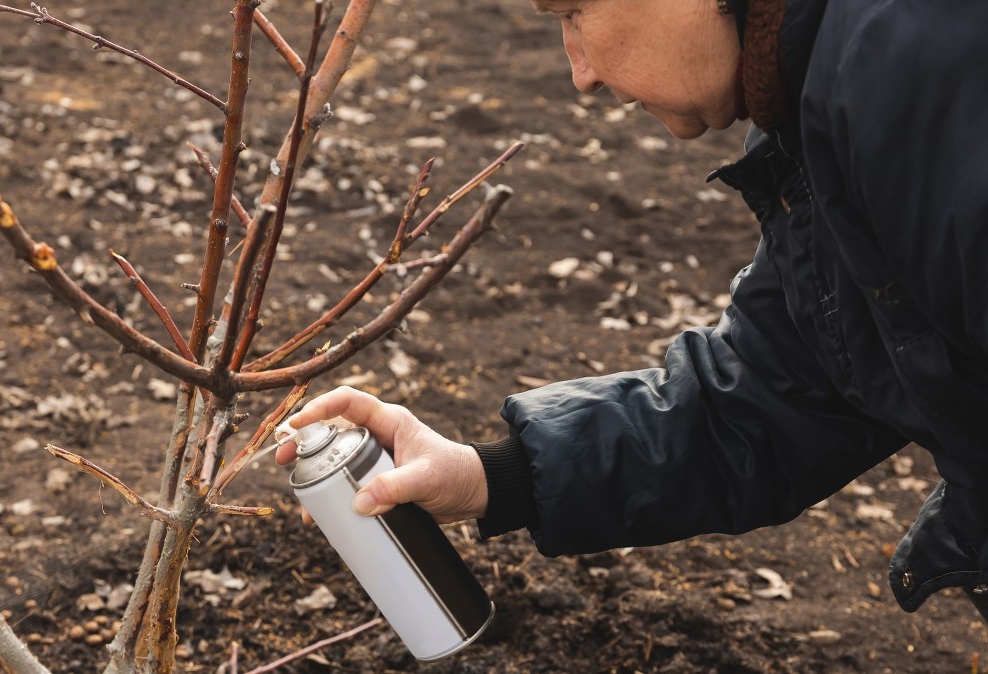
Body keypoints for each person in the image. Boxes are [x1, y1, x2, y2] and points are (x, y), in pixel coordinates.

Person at [277, 0, 988, 620]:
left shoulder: (921, 80)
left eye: (574, 12)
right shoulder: (832, 100)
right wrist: (490, 476)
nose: (580, 72)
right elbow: (779, 391)